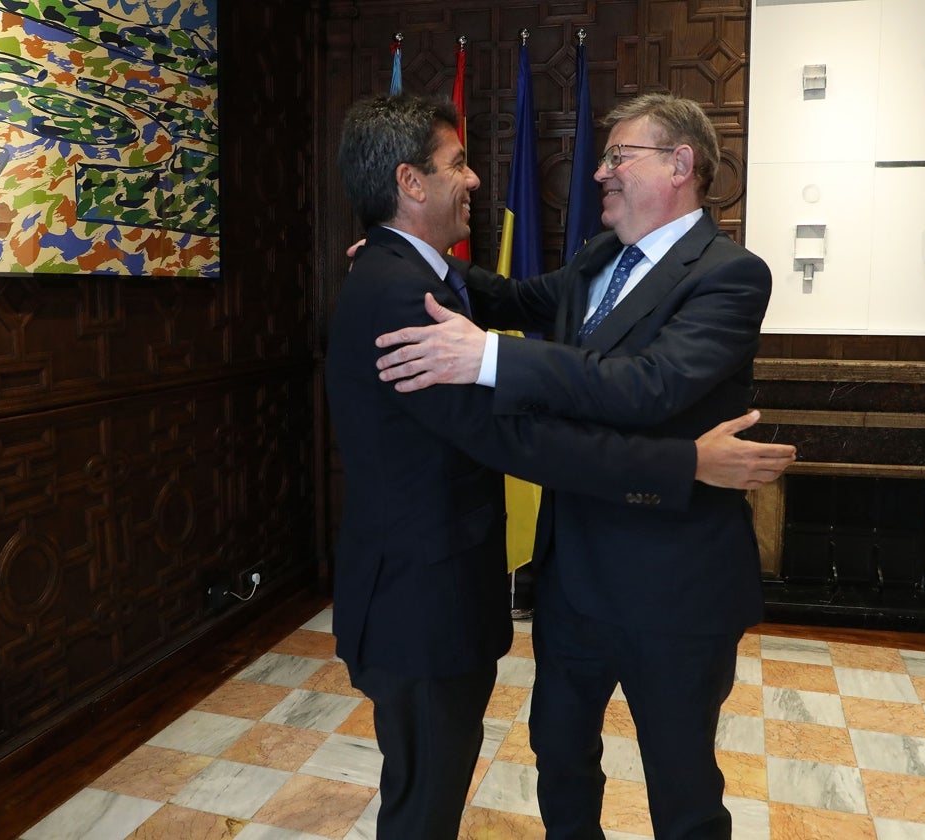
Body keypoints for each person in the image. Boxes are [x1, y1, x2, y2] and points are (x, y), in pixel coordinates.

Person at [328, 92, 794, 840]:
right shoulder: (598, 258)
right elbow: (511, 295)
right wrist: (399, 253)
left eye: (619, 155)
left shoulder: (730, 274)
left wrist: (485, 349)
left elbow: (650, 386)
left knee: (683, 788)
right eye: (604, 154)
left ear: (681, 164)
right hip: (575, 580)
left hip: (673, 588)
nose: (601, 171)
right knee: (561, 760)